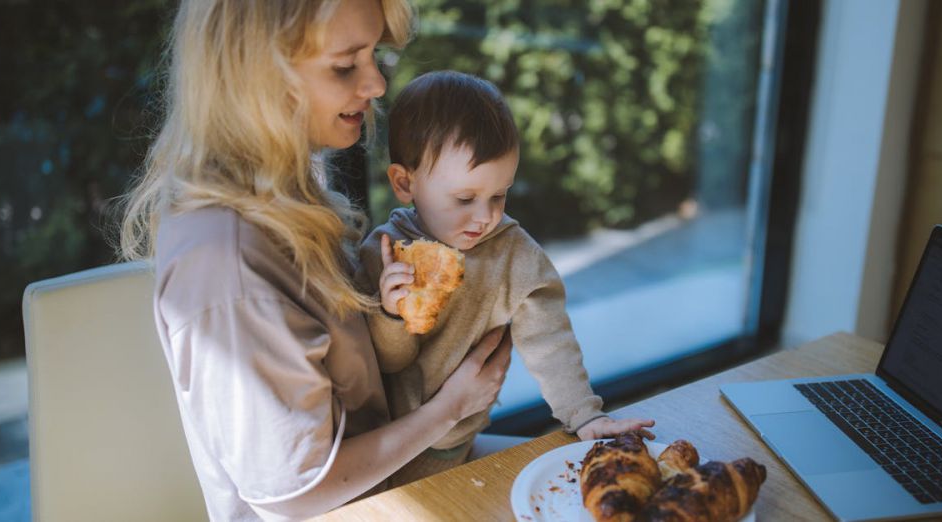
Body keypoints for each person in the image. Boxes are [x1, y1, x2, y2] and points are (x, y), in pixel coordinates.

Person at [118, 1, 515, 520]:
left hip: (394, 479)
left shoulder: (287, 192)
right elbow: (296, 492)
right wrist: (452, 407)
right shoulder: (227, 266)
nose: (375, 84)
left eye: (373, 56)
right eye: (345, 66)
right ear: (257, 76)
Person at [355, 71, 655, 485]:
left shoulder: (514, 255)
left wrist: (585, 414)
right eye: (465, 199)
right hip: (388, 450)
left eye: (500, 195)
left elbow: (550, 341)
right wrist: (390, 314)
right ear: (405, 183)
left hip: (461, 439)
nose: (486, 216)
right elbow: (388, 362)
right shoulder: (384, 253)